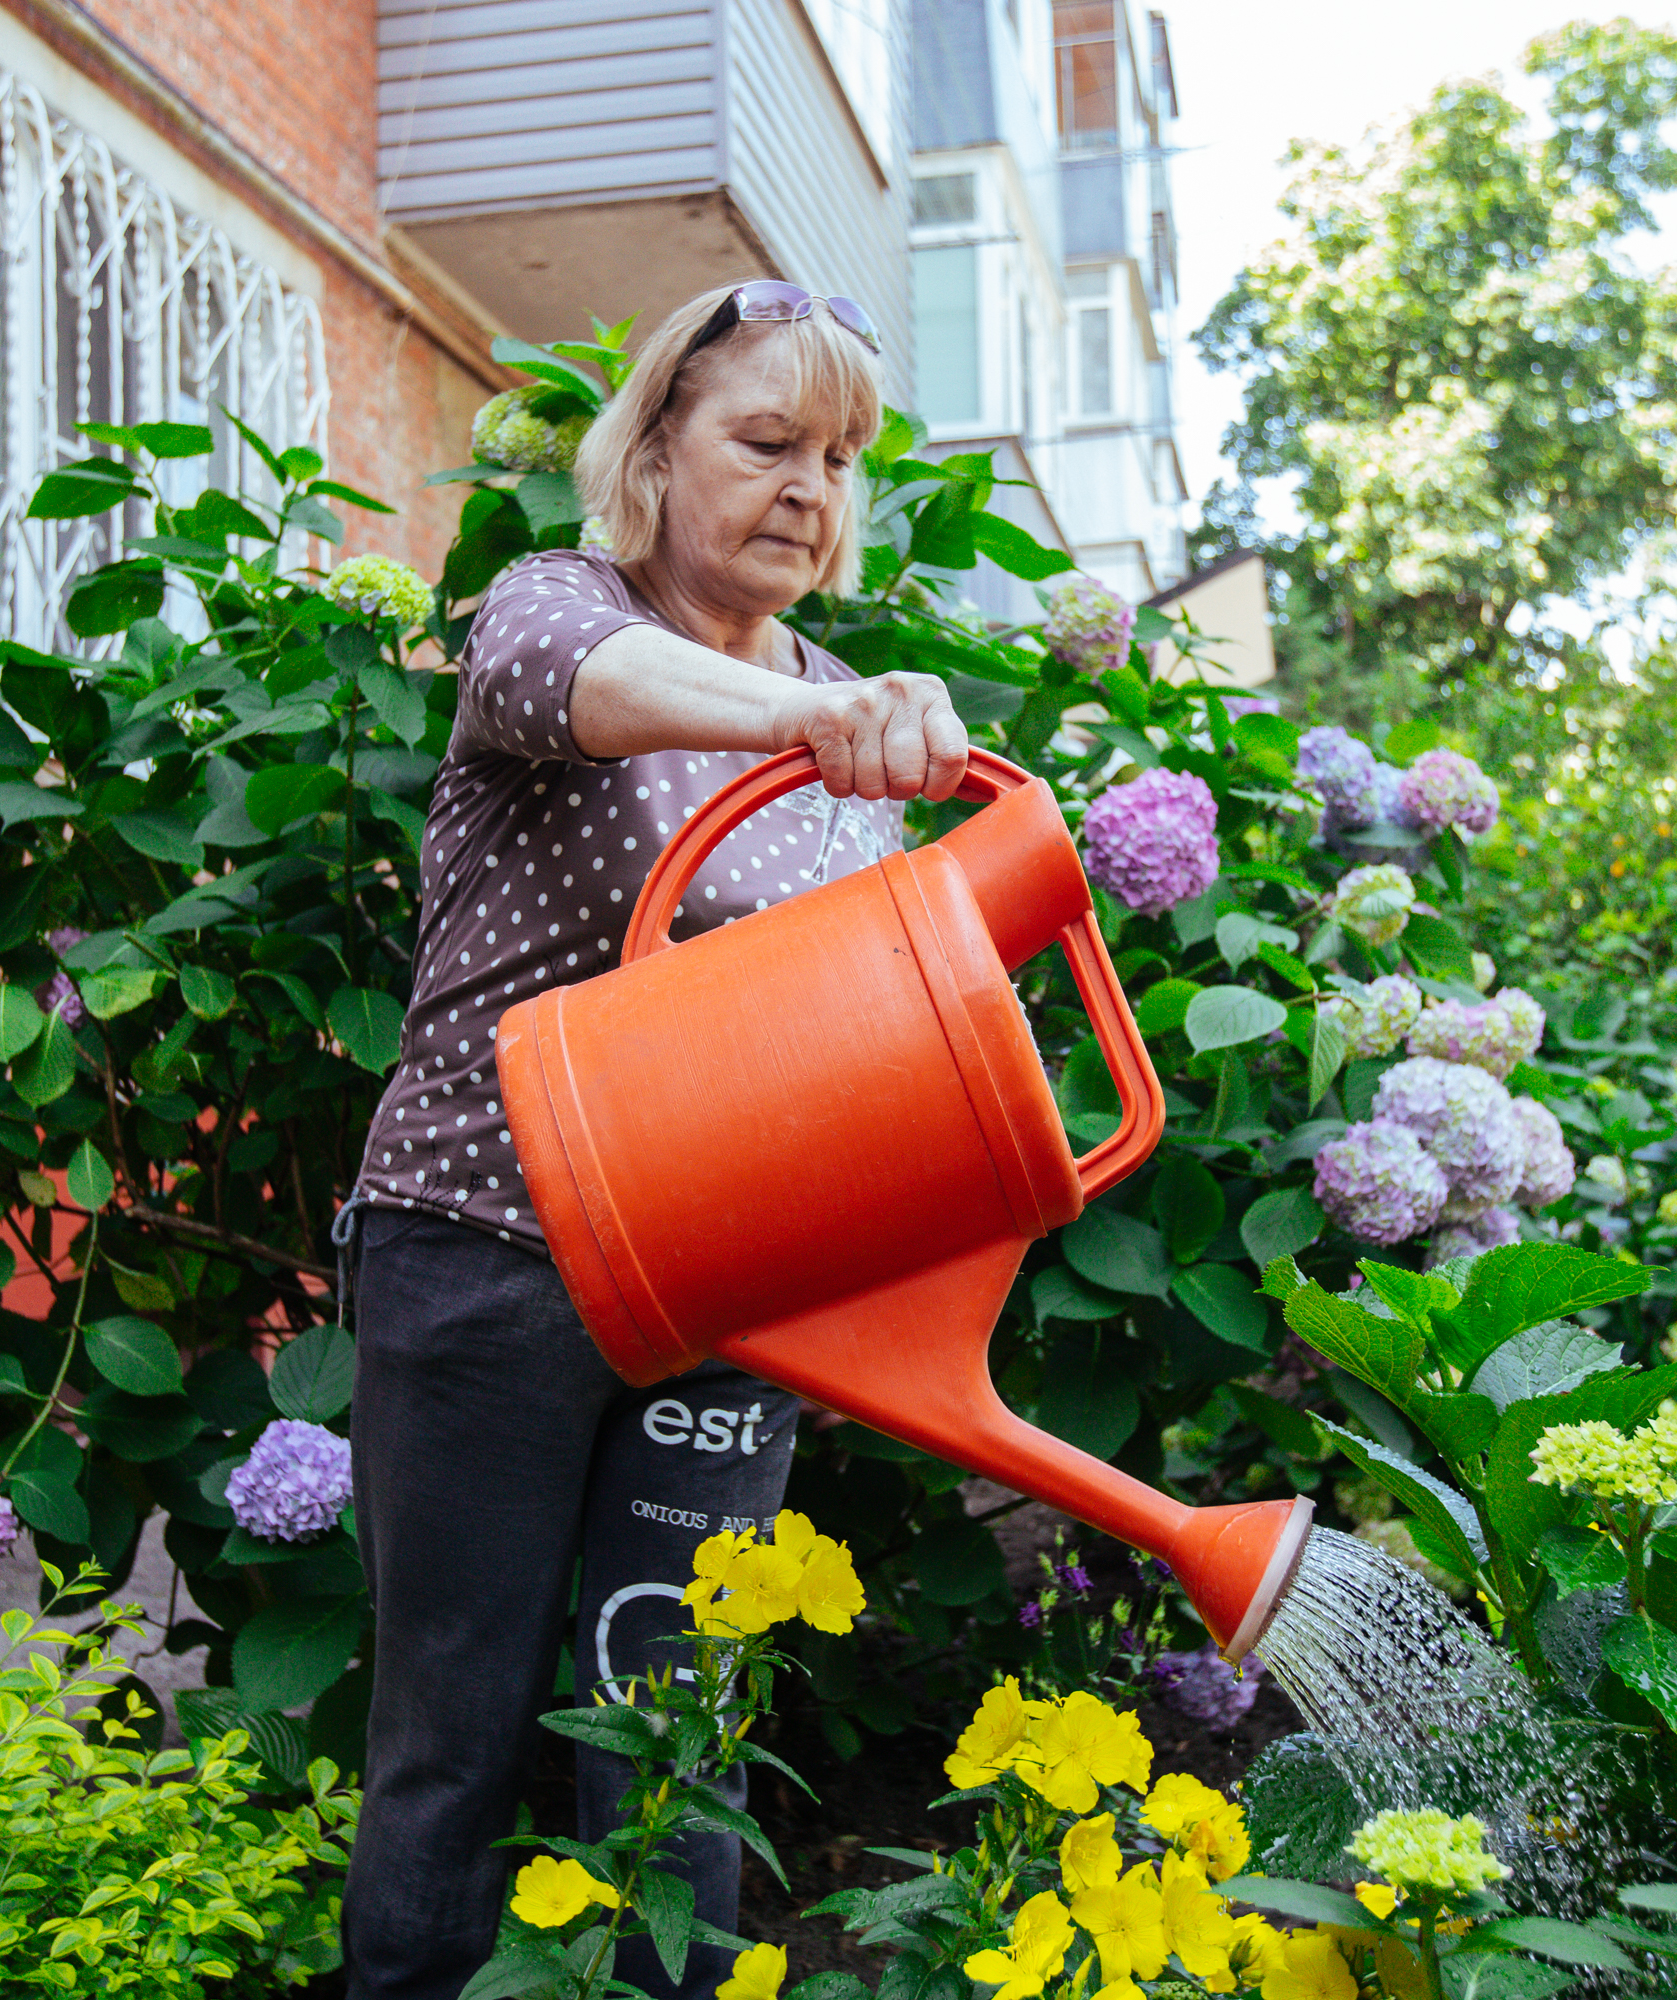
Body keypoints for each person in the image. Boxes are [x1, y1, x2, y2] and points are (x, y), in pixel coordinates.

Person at [337, 281, 971, 2000]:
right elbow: (586, 684)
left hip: (721, 1295)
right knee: (448, 1751)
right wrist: (810, 729)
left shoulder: (858, 704)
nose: (807, 486)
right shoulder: (561, 606)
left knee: (676, 1744)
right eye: (765, 439)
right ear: (655, 445)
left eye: (837, 458)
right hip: (486, 1254)